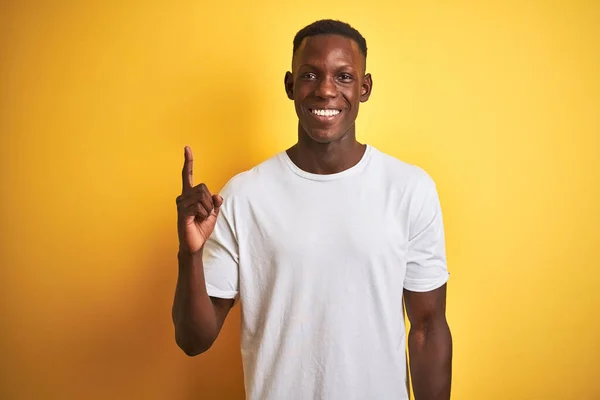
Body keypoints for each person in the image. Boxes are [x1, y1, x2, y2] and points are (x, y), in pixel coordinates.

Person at [172, 19, 452, 400]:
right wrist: (189, 256)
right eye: (310, 75)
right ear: (290, 85)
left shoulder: (409, 189)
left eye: (344, 77)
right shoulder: (243, 196)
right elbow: (193, 340)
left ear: (364, 88)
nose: (325, 90)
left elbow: (428, 327)